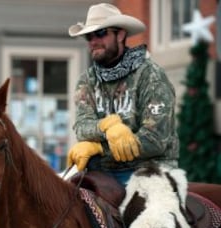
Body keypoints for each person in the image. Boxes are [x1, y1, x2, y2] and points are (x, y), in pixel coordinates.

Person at [66, 3, 179, 186]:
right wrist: (105, 127)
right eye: (89, 35)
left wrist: (98, 148)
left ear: (120, 34)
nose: (93, 41)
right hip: (101, 172)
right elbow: (81, 126)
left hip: (150, 171)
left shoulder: (151, 76)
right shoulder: (87, 80)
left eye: (101, 33)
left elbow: (155, 140)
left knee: (152, 214)